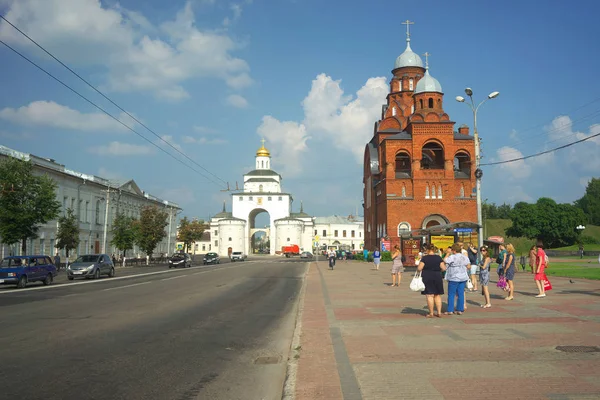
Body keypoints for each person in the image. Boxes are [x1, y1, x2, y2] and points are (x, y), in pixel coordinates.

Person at [417, 244, 446, 318]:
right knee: (437, 294)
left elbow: (419, 268)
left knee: (429, 294)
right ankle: (439, 312)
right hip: (437, 276)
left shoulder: (425, 258)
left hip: (427, 276)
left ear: (427, 250)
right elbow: (444, 268)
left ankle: (431, 313)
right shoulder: (438, 258)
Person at [444, 243, 470, 315]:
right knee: (460, 293)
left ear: (454, 250)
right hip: (463, 277)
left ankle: (450, 310)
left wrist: (447, 253)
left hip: (454, 277)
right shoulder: (464, 257)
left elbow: (445, 260)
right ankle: (460, 309)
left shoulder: (452, 257)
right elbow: (468, 266)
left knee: (451, 294)